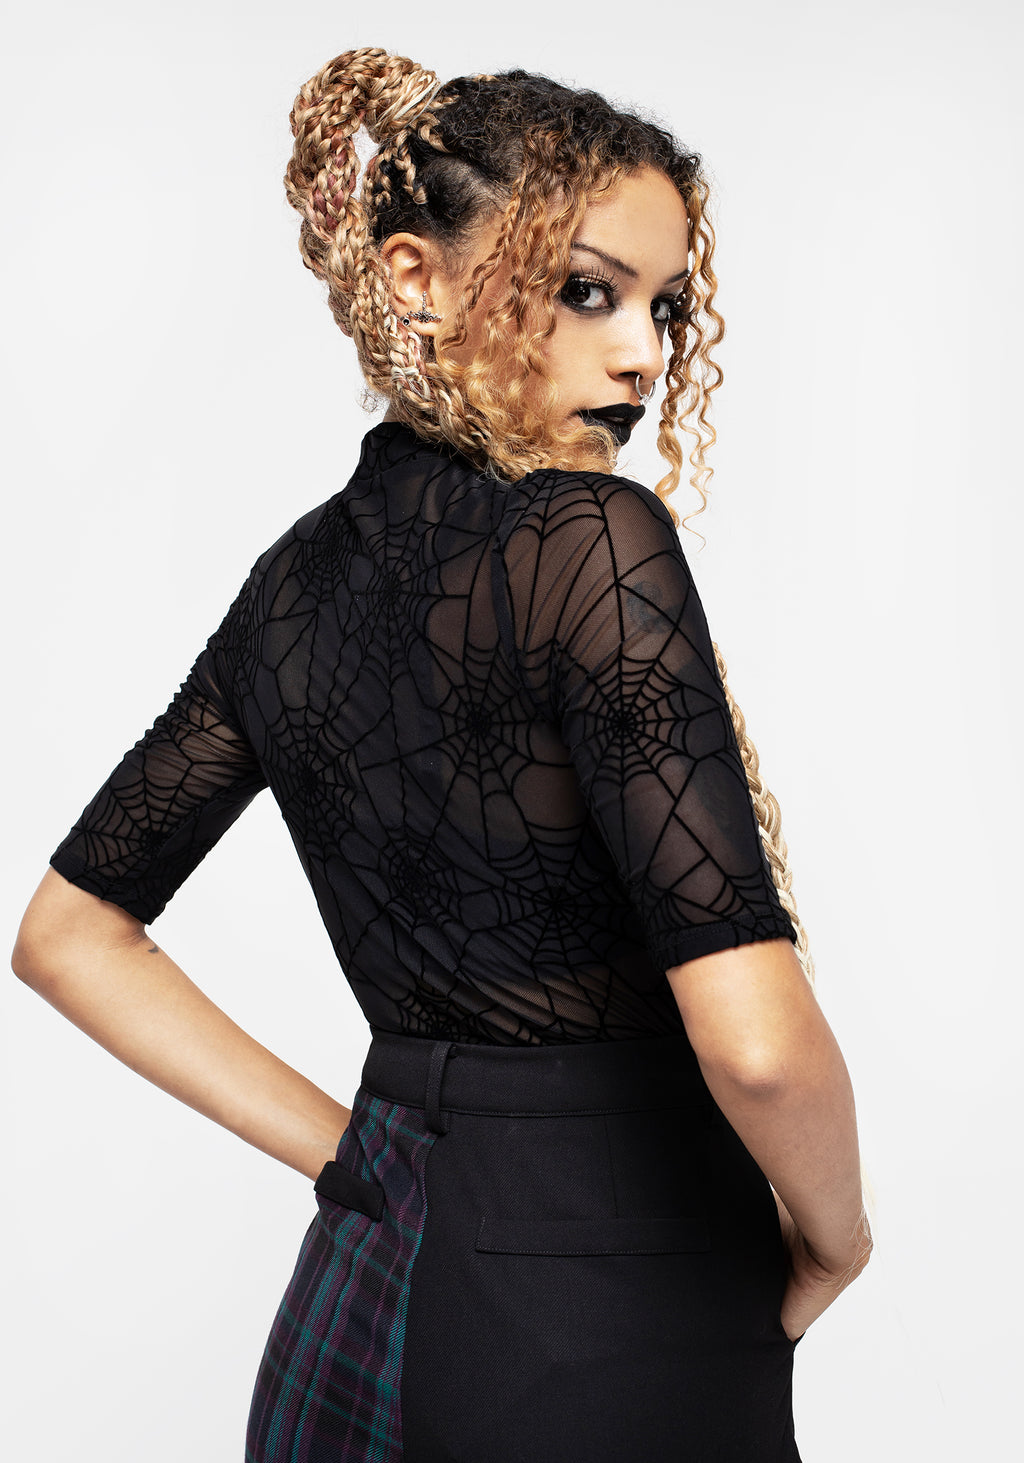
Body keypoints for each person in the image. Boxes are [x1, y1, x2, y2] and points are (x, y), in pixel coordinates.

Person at [12, 46, 871, 1463]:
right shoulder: (590, 540)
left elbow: (65, 935)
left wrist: (355, 1156)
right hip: (610, 1309)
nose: (644, 354)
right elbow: (762, 1050)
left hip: (360, 1300)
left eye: (665, 305)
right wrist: (838, 1237)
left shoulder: (294, 585)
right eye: (589, 291)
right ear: (414, 279)